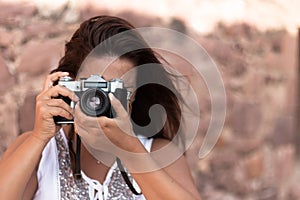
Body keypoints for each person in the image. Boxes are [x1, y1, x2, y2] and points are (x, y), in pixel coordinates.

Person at [0, 15, 201, 200]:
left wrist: (129, 148)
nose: (101, 99)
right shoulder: (42, 151)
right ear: (71, 83)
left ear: (136, 94)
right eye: (95, 86)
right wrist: (38, 137)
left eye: (117, 89)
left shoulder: (156, 152)